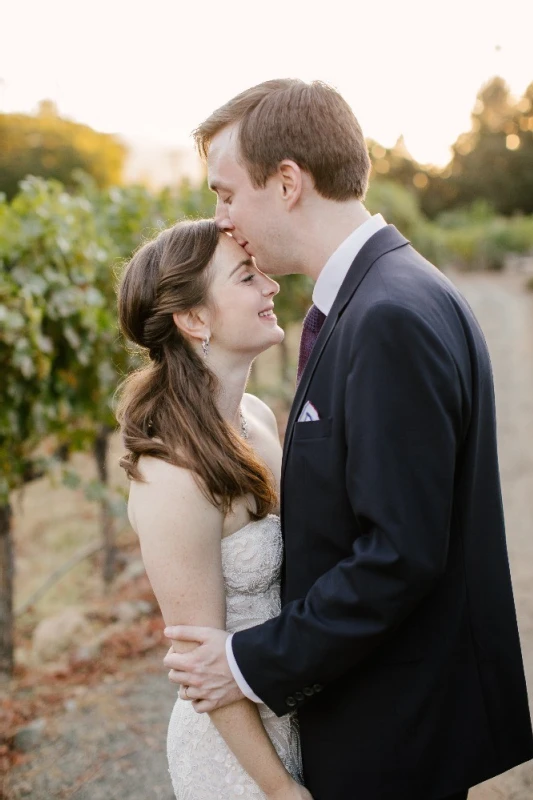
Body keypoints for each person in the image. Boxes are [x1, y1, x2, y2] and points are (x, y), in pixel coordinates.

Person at [162, 79, 533, 800]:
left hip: (392, 730)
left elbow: (398, 554)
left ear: (289, 182)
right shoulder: (380, 292)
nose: (221, 219)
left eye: (227, 193)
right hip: (386, 714)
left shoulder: (386, 313)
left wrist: (247, 662)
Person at [116, 219, 312, 799]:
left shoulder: (254, 415)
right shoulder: (171, 473)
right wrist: (280, 789)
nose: (271, 287)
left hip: (294, 712)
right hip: (238, 758)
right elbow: (200, 662)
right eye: (247, 276)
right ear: (195, 319)